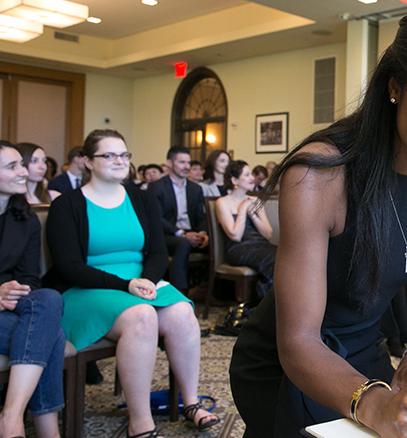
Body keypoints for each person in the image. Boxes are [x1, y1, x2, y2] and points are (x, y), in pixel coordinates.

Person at [229, 0, 407, 438]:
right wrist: (376, 403)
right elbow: (298, 341)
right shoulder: (319, 175)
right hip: (288, 361)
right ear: (395, 87)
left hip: (366, 353)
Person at [45, 130, 219, 438]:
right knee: (142, 316)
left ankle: (191, 403)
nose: (119, 161)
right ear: (88, 161)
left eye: (124, 155)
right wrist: (126, 285)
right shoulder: (67, 205)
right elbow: (69, 266)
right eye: (109, 155)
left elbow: (156, 253)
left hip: (140, 282)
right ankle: (140, 421)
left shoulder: (142, 199)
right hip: (87, 288)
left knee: (181, 312)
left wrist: (148, 280)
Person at [0, 140, 65, 438]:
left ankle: (9, 419)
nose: (23, 171)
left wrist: (12, 292)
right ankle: (47, 432)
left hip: (8, 311)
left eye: (22, 164)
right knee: (53, 335)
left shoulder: (27, 218)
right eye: (12, 166)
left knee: (48, 296)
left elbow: (31, 279)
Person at [148, 147, 209, 295]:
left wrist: (202, 233)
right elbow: (156, 218)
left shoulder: (195, 188)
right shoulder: (157, 187)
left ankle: (211, 290)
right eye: (181, 162)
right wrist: (181, 233)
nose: (186, 166)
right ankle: (179, 292)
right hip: (167, 234)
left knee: (215, 242)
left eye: (188, 162)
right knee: (183, 244)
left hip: (191, 232)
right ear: (169, 163)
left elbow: (200, 216)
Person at [214, 160, 277, 300]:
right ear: (234, 180)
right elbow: (235, 235)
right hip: (239, 248)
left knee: (286, 254)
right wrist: (242, 208)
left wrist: (252, 214)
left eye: (251, 175)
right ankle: (265, 306)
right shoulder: (223, 202)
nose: (251, 178)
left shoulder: (256, 200)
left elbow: (268, 234)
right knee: (275, 258)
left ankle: (273, 303)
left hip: (261, 245)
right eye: (247, 175)